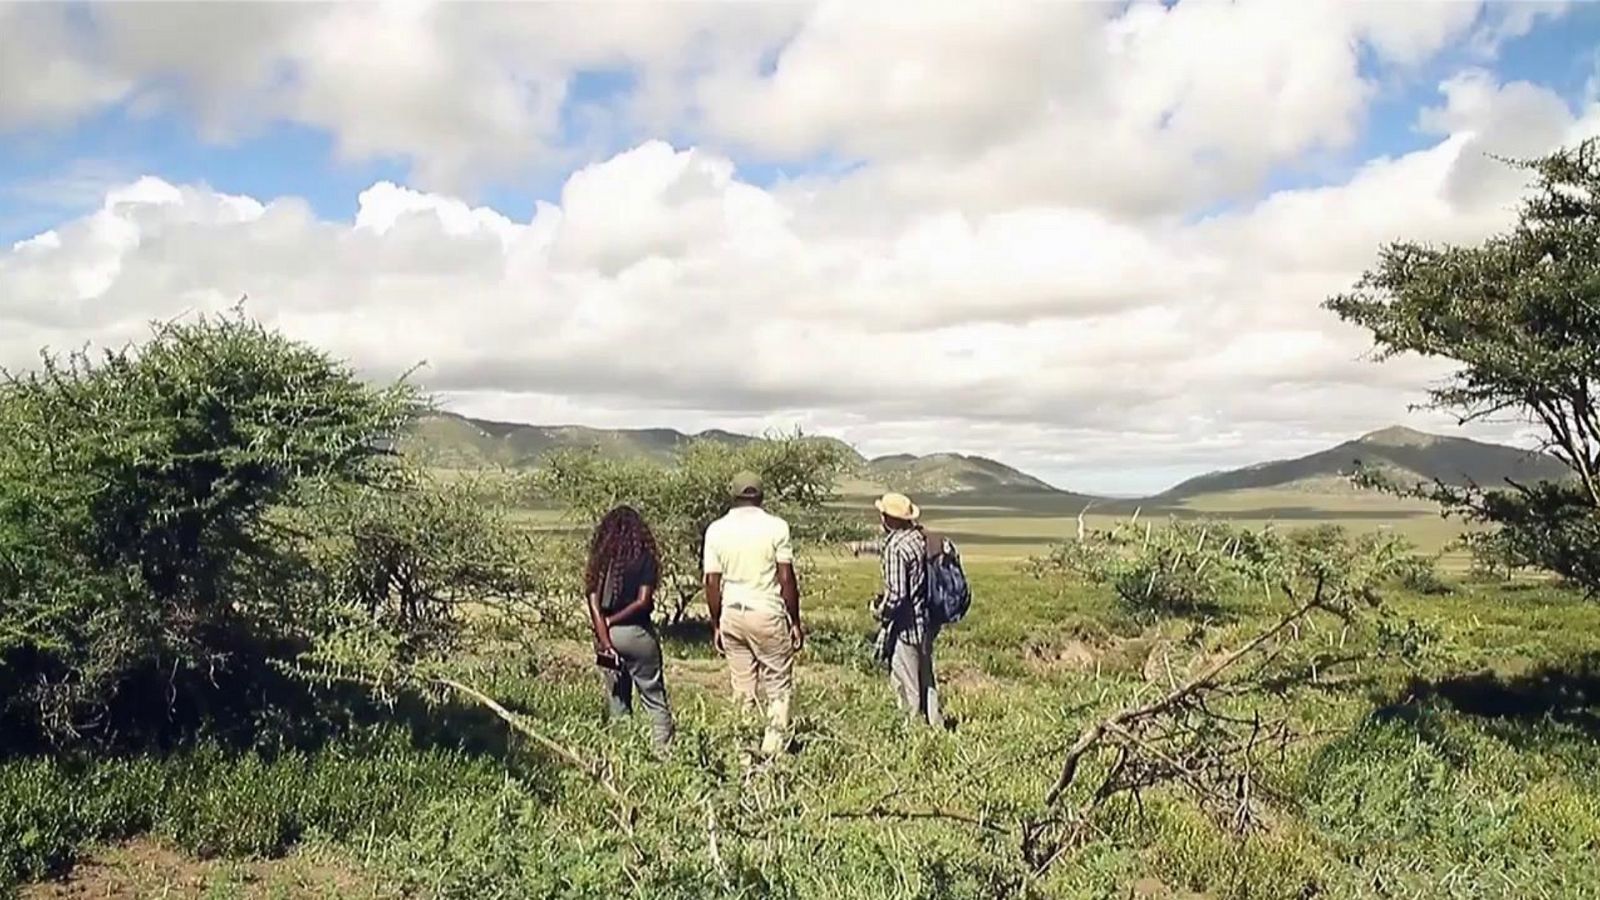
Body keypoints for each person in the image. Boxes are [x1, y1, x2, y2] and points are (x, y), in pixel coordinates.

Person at [703, 471, 802, 757]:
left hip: (732, 613)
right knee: (778, 688)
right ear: (761, 495)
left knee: (742, 690)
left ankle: (743, 756)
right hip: (766, 611)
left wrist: (716, 623)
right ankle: (772, 754)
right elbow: (786, 577)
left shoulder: (716, 530)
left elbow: (711, 582)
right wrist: (794, 620)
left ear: (732, 495)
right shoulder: (777, 527)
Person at [586, 505, 674, 750]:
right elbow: (643, 602)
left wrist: (605, 640)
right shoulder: (644, 557)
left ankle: (622, 754)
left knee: (617, 700)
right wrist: (615, 621)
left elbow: (593, 603)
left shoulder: (600, 560)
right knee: (654, 699)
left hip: (606, 637)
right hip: (637, 634)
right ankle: (663, 755)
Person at [871, 491, 944, 729]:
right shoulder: (919, 537)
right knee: (927, 678)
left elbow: (897, 595)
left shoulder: (896, 547)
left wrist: (880, 613)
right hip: (927, 622)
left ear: (888, 519)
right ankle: (936, 726)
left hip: (907, 627)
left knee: (905, 683)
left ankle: (912, 732)